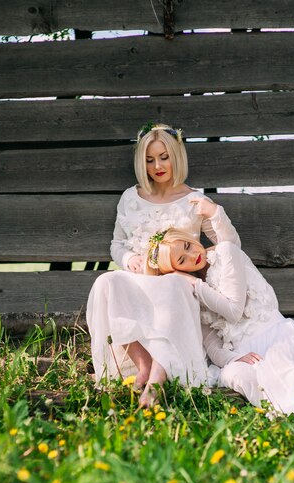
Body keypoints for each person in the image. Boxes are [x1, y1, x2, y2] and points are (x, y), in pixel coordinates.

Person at [86, 123, 240, 406]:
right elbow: (117, 245)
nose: (157, 165)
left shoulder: (194, 200)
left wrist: (216, 214)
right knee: (105, 282)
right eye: (149, 160)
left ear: (176, 157)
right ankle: (142, 363)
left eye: (164, 157)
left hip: (177, 286)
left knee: (171, 282)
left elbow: (230, 246)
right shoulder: (130, 199)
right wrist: (129, 259)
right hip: (139, 280)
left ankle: (159, 375)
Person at [149, 228, 294, 417]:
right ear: (178, 271)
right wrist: (235, 357)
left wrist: (195, 283)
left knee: (280, 367)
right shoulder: (194, 295)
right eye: (182, 261)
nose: (192, 256)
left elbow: (233, 311)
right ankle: (293, 408)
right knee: (233, 373)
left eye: (187, 246)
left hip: (275, 335)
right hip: (244, 352)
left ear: (190, 238)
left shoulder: (226, 254)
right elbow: (212, 345)